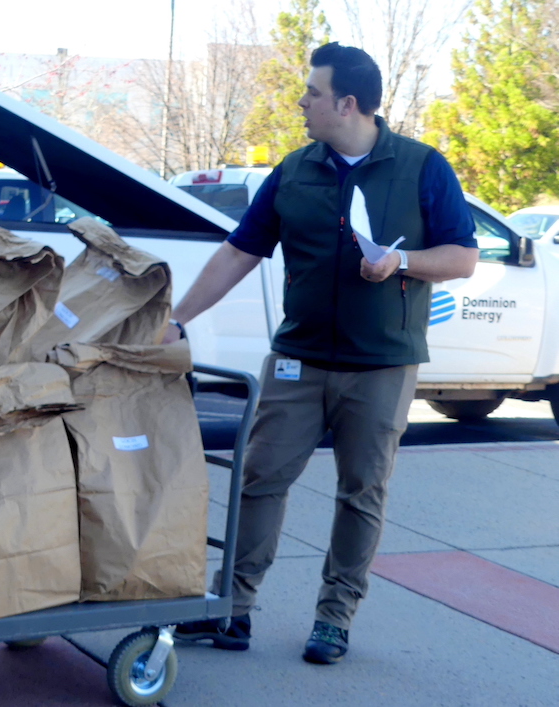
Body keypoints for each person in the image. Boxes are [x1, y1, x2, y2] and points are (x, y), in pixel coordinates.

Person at [167, 43, 478, 664]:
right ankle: (232, 610)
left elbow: (463, 257)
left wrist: (403, 263)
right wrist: (176, 319)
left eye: (312, 92)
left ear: (348, 103)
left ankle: (334, 618)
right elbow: (240, 251)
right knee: (259, 479)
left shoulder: (421, 166)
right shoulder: (294, 169)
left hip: (382, 365)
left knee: (362, 491)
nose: (301, 102)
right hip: (298, 359)